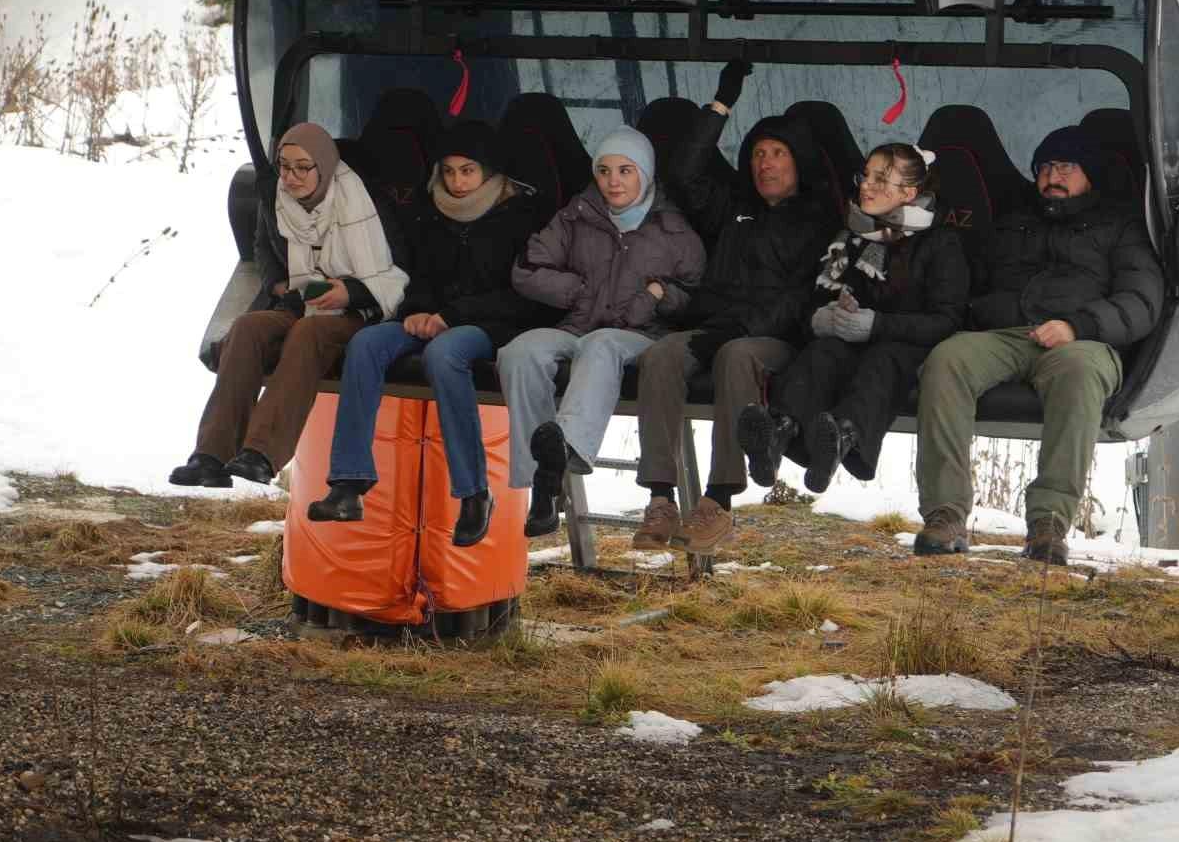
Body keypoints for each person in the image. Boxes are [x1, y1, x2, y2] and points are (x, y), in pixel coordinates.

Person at [912, 126, 1164, 564]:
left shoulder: (1120, 227)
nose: (1054, 176)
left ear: (1089, 175)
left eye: (1066, 166)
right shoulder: (1013, 220)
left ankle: (1048, 523)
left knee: (1079, 374)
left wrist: (1077, 325)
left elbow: (1141, 301)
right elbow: (970, 277)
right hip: (1006, 335)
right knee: (947, 359)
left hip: (1083, 342)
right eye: (1046, 167)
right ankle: (945, 515)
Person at [309, 122, 550, 546]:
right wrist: (419, 310)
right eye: (450, 171)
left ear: (490, 174)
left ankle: (474, 493)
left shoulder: (523, 218)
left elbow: (526, 294)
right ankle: (349, 482)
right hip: (431, 317)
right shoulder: (429, 211)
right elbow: (416, 274)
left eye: (468, 171)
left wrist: (451, 316)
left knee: (444, 354)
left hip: (490, 325)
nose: (457, 182)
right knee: (366, 343)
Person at [632, 60, 835, 555]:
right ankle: (661, 498)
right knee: (660, 355)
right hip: (714, 325)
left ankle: (718, 500)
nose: (765, 163)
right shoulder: (734, 208)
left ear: (798, 162)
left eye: (778, 153)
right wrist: (721, 103)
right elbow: (683, 172)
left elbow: (802, 297)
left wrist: (738, 327)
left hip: (775, 339)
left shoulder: (819, 217)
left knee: (736, 355)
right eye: (759, 154)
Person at [170, 122, 409, 490]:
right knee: (249, 328)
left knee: (308, 332)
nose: (291, 176)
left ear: (324, 167)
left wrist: (351, 292)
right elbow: (262, 247)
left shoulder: (367, 202)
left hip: (360, 310)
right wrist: (276, 283)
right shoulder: (277, 199)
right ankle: (211, 455)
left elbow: (399, 268)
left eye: (302, 167)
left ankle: (261, 453)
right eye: (284, 165)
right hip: (301, 300)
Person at [498, 127, 707, 538]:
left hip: (641, 333)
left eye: (625, 171)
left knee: (601, 344)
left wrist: (657, 296)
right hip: (579, 323)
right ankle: (544, 482)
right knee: (518, 353)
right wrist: (576, 291)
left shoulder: (674, 230)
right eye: (605, 170)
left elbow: (698, 294)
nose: (613, 181)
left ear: (644, 176)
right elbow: (526, 269)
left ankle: (566, 448)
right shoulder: (577, 215)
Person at [736, 143, 968, 499]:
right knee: (822, 352)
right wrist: (821, 317)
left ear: (909, 193)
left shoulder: (940, 242)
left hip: (908, 348)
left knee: (883, 360)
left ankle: (842, 438)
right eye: (865, 176)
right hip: (849, 342)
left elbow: (947, 319)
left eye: (880, 179)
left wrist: (877, 324)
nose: (865, 186)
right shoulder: (849, 234)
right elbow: (814, 295)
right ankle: (778, 432)